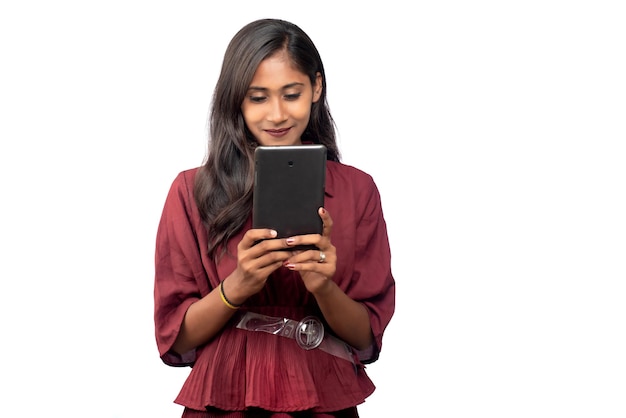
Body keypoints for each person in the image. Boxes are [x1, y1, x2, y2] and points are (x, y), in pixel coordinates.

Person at [154, 18, 396, 418]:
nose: (277, 114)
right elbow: (174, 341)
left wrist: (323, 287)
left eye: (292, 93)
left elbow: (367, 337)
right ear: (237, 100)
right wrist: (237, 287)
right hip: (228, 394)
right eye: (258, 97)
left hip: (322, 394)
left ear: (316, 87)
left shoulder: (358, 191)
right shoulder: (191, 191)